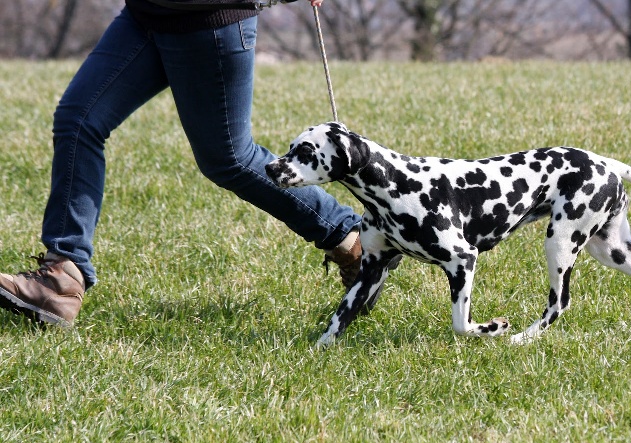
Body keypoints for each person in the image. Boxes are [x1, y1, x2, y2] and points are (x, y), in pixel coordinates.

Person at [0, 0, 363, 326]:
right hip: (147, 14)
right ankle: (62, 276)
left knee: (229, 159)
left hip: (208, 20)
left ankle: (345, 233)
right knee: (78, 121)